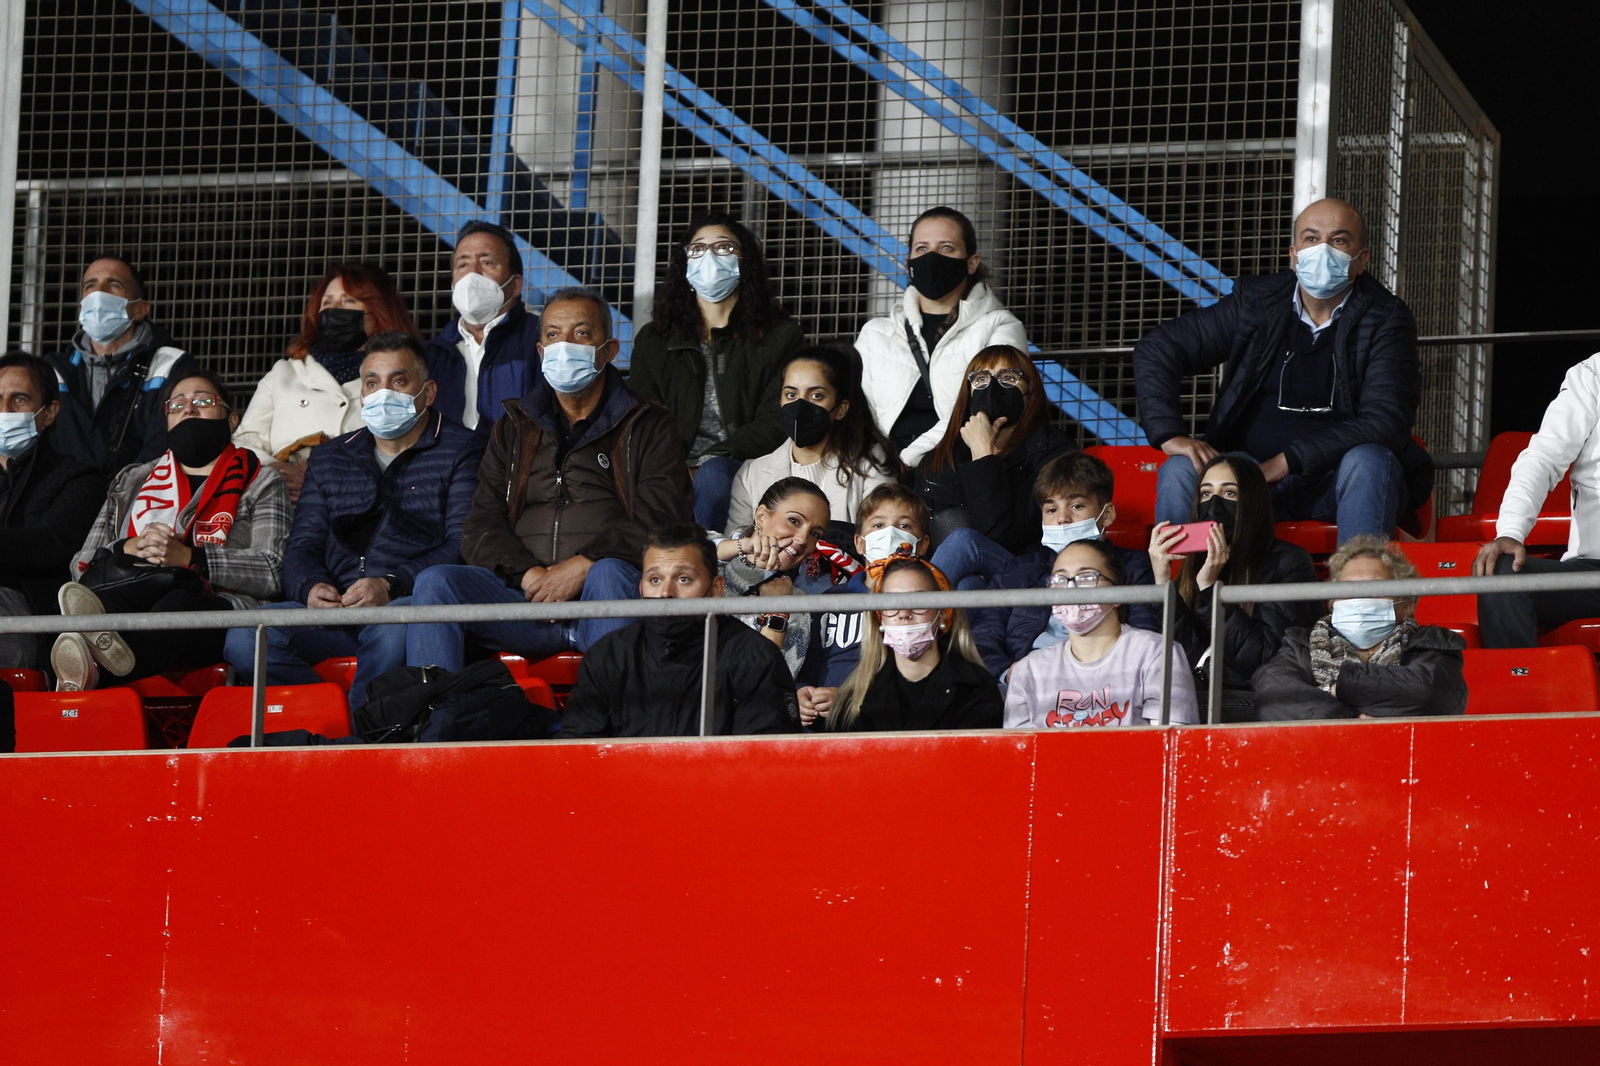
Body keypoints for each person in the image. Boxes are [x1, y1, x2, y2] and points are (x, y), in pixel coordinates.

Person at [406, 287, 691, 671]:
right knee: (436, 583)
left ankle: (612, 723)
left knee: (609, 572)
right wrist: (529, 576)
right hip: (525, 600)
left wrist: (583, 566)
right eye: (554, 335)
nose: (565, 345)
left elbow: (663, 516)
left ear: (609, 350)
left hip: (605, 597)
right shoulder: (513, 426)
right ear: (540, 352)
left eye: (581, 333)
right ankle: (435, 723)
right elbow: (480, 525)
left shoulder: (648, 422)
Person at [1134, 198, 1431, 543]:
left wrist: (1287, 461)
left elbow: (1386, 421)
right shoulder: (1257, 303)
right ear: (1294, 255)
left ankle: (1357, 592)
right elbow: (1159, 347)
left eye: (1338, 240)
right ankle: (1183, 589)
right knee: (1181, 469)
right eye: (1311, 238)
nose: (1322, 250)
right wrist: (1170, 434)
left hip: (1333, 482)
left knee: (1369, 462)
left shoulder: (1387, 318)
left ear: (1361, 260)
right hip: (1246, 477)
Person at [222, 334, 485, 707]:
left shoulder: (463, 449)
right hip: (337, 610)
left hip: (408, 606)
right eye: (373, 382)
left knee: (391, 632)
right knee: (248, 634)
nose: (383, 393)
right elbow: (302, 546)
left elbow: (463, 544)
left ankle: (363, 738)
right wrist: (311, 587)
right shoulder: (331, 457)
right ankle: (330, 720)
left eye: (399, 381)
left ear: (428, 392)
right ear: (362, 394)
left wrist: (390, 585)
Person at [55, 371, 290, 691]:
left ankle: (93, 672)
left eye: (204, 401)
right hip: (136, 596)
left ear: (232, 420)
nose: (189, 409)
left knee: (178, 603)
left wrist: (190, 557)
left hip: (218, 611)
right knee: (99, 603)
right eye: (177, 405)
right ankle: (91, 662)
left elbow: (272, 570)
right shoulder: (131, 480)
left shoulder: (261, 481)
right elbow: (81, 564)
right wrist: (126, 548)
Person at [628, 212, 804, 531]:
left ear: (745, 261)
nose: (708, 256)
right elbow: (643, 417)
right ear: (685, 264)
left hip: (747, 464)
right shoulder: (655, 339)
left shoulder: (779, 336)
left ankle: (708, 561)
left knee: (712, 475)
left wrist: (715, 456)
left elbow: (778, 417)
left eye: (723, 248)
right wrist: (677, 467)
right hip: (671, 467)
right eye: (697, 249)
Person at [560, 524, 799, 738]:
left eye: (683, 579)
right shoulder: (608, 655)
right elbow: (577, 752)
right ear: (641, 588)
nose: (666, 592)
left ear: (716, 588)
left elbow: (766, 762)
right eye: (655, 580)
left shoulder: (755, 657)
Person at [1147, 456, 1319, 721]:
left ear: (1252, 502)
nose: (1214, 504)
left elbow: (1262, 661)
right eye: (1206, 493)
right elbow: (1188, 656)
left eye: (1229, 492)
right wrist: (1161, 582)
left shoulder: (1288, 562)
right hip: (1203, 693)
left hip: (1259, 697)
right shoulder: (1196, 561)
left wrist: (1209, 589)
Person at [856, 206, 1028, 468]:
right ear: (909, 261)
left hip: (955, 467)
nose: (932, 258)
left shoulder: (1000, 326)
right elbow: (857, 413)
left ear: (972, 263)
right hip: (882, 473)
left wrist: (907, 460)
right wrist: (878, 468)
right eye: (922, 248)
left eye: (946, 247)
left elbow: (990, 409)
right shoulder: (875, 333)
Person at [233, 261, 416, 504]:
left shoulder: (400, 378)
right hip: (283, 504)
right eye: (327, 302)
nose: (335, 309)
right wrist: (277, 471)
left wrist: (322, 479)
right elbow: (244, 443)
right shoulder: (283, 373)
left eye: (349, 301)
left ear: (378, 312)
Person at [971, 452, 1157, 683]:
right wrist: (1008, 673)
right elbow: (983, 639)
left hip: (1104, 685)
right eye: (1052, 510)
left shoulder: (1133, 567)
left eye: (1076, 506)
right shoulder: (1016, 571)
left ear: (1107, 514)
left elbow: (1146, 638)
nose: (1063, 518)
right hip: (1026, 683)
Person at [1254, 536, 1467, 720]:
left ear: (1408, 604)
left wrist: (1336, 689)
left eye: (1374, 589)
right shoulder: (1299, 646)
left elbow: (1429, 694)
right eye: (1349, 590)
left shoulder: (1432, 647)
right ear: (1332, 602)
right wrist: (1350, 721)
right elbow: (1273, 698)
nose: (1360, 600)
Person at [915, 346, 1073, 586]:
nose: (992, 387)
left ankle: (916, 606)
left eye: (1008, 378)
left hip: (1031, 573)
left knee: (963, 541)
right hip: (966, 580)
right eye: (980, 379)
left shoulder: (1055, 453)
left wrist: (982, 455)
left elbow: (999, 537)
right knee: (970, 586)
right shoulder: (938, 461)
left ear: (1030, 391)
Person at [1004, 538, 1199, 728]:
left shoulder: (1157, 653)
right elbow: (1018, 753)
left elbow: (1171, 746)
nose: (1071, 589)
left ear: (1118, 593)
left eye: (1087, 578)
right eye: (1060, 580)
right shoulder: (1029, 670)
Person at [1474, 353, 1600, 645]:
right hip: (1593, 572)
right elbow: (1541, 459)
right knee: (1503, 572)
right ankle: (1518, 688)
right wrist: (1510, 532)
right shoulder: (1592, 374)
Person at [44, 255, 199, 476]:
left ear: (140, 309)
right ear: (81, 307)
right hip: (67, 503)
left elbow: (165, 444)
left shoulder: (171, 365)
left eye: (114, 284)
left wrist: (119, 494)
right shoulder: (51, 371)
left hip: (139, 502)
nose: (99, 293)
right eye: (91, 286)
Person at [0, 353, 106, 669]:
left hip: (30, 622)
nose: (4, 411)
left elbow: (49, 545)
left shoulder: (79, 479)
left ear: (49, 414)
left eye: (19, 399)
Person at [796, 484, 931, 726]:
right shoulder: (828, 602)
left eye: (904, 526)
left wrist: (852, 698)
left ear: (922, 545)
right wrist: (802, 693)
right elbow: (806, 668)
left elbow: (921, 680)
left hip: (885, 721)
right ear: (859, 543)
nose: (890, 534)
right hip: (822, 724)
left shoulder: (927, 605)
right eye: (878, 525)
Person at [727, 346, 900, 534]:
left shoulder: (869, 463)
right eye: (791, 395)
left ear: (840, 409)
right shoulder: (751, 474)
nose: (800, 405)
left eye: (816, 396)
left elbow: (880, 539)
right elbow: (736, 553)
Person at [825, 555, 1001, 732]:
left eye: (917, 602)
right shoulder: (853, 697)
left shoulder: (976, 687)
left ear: (943, 614)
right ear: (879, 618)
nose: (904, 613)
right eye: (891, 604)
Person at [423, 221, 543, 434]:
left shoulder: (541, 341)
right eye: (463, 265)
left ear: (515, 285)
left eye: (487, 262)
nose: (472, 274)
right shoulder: (433, 354)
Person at [715, 477, 840, 678]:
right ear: (762, 516)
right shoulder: (708, 559)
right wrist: (741, 547)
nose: (802, 539)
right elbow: (675, 558)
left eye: (815, 534)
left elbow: (769, 683)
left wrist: (777, 612)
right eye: (794, 520)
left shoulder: (796, 606)